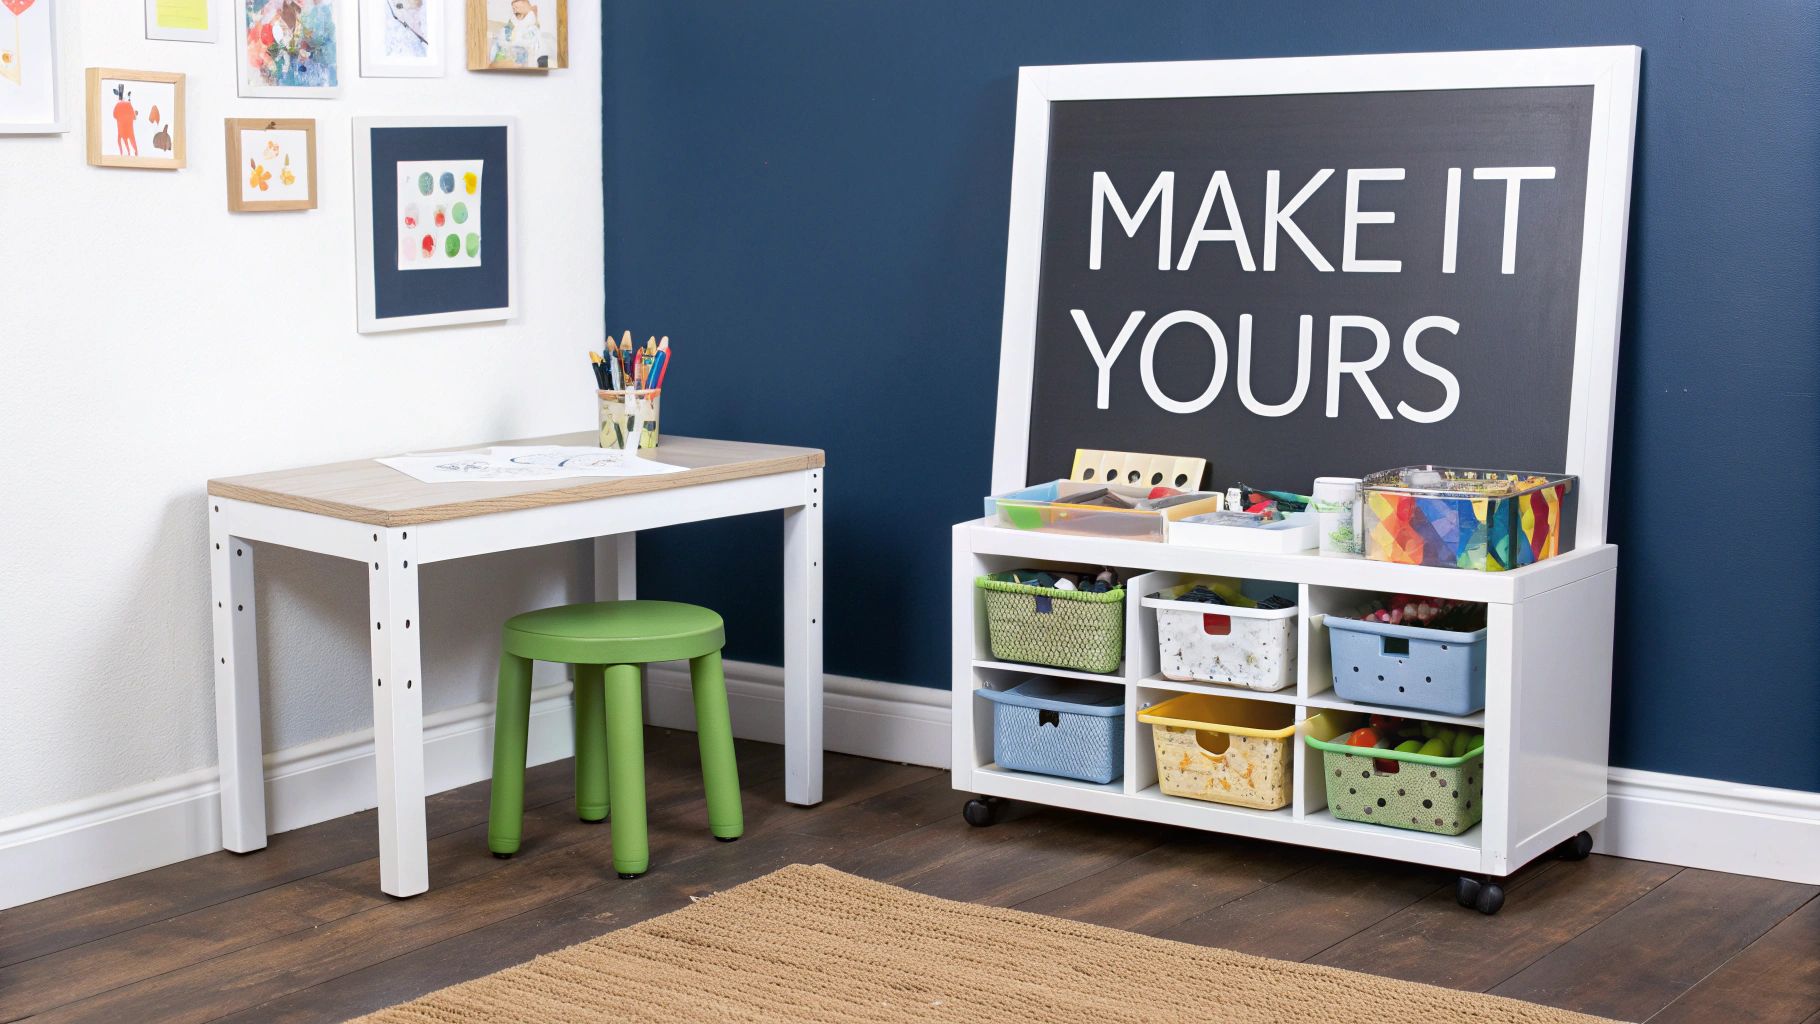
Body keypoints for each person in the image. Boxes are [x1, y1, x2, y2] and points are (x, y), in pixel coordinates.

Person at [492, 0, 545, 68]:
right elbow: (508, 27)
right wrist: (507, 32)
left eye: (516, 7)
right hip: (512, 43)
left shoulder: (531, 19)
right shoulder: (514, 18)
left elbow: (532, 33)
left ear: (523, 7)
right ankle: (498, 62)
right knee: (500, 45)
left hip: (523, 45)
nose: (514, 10)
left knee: (520, 52)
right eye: (513, 8)